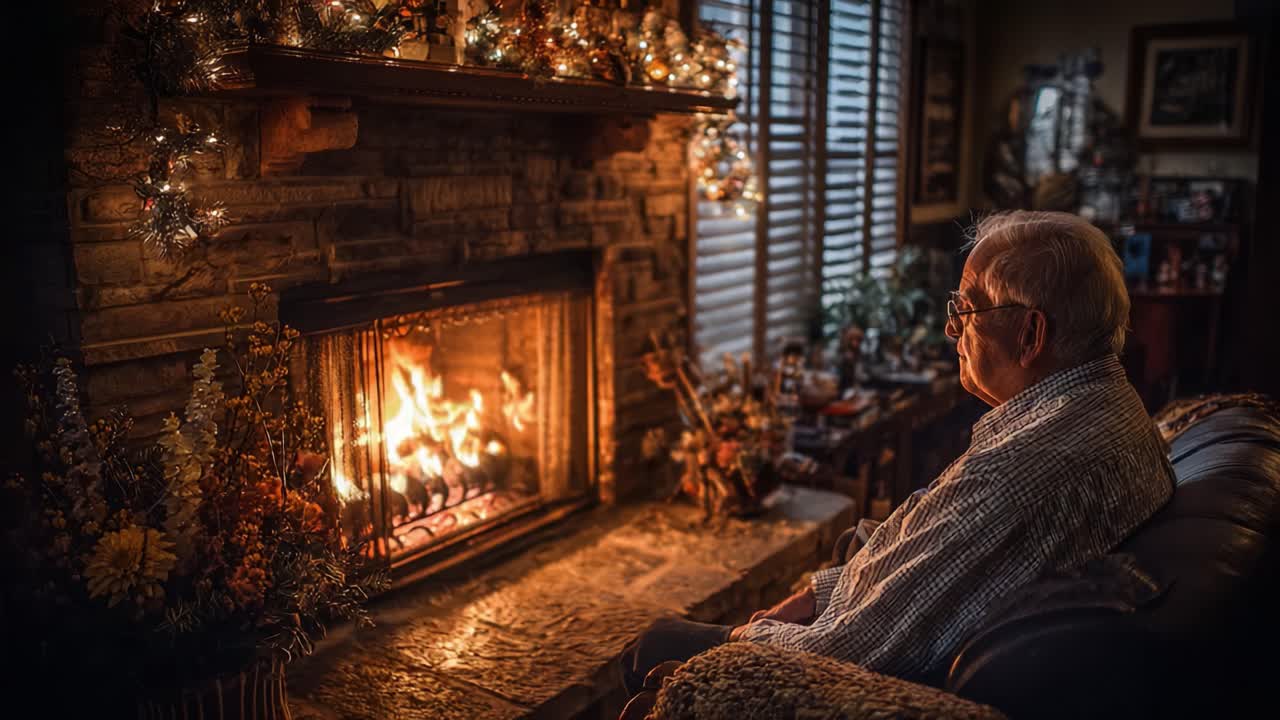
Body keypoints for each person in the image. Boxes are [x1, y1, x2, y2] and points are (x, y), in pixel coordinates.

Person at [619, 210, 1176, 695]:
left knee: (651, 643)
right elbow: (933, 560)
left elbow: (838, 658)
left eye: (965, 308)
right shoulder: (1112, 406)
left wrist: (746, 636)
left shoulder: (1019, 473)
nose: (950, 328)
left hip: (834, 671)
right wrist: (818, 591)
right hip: (862, 625)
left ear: (1030, 336)